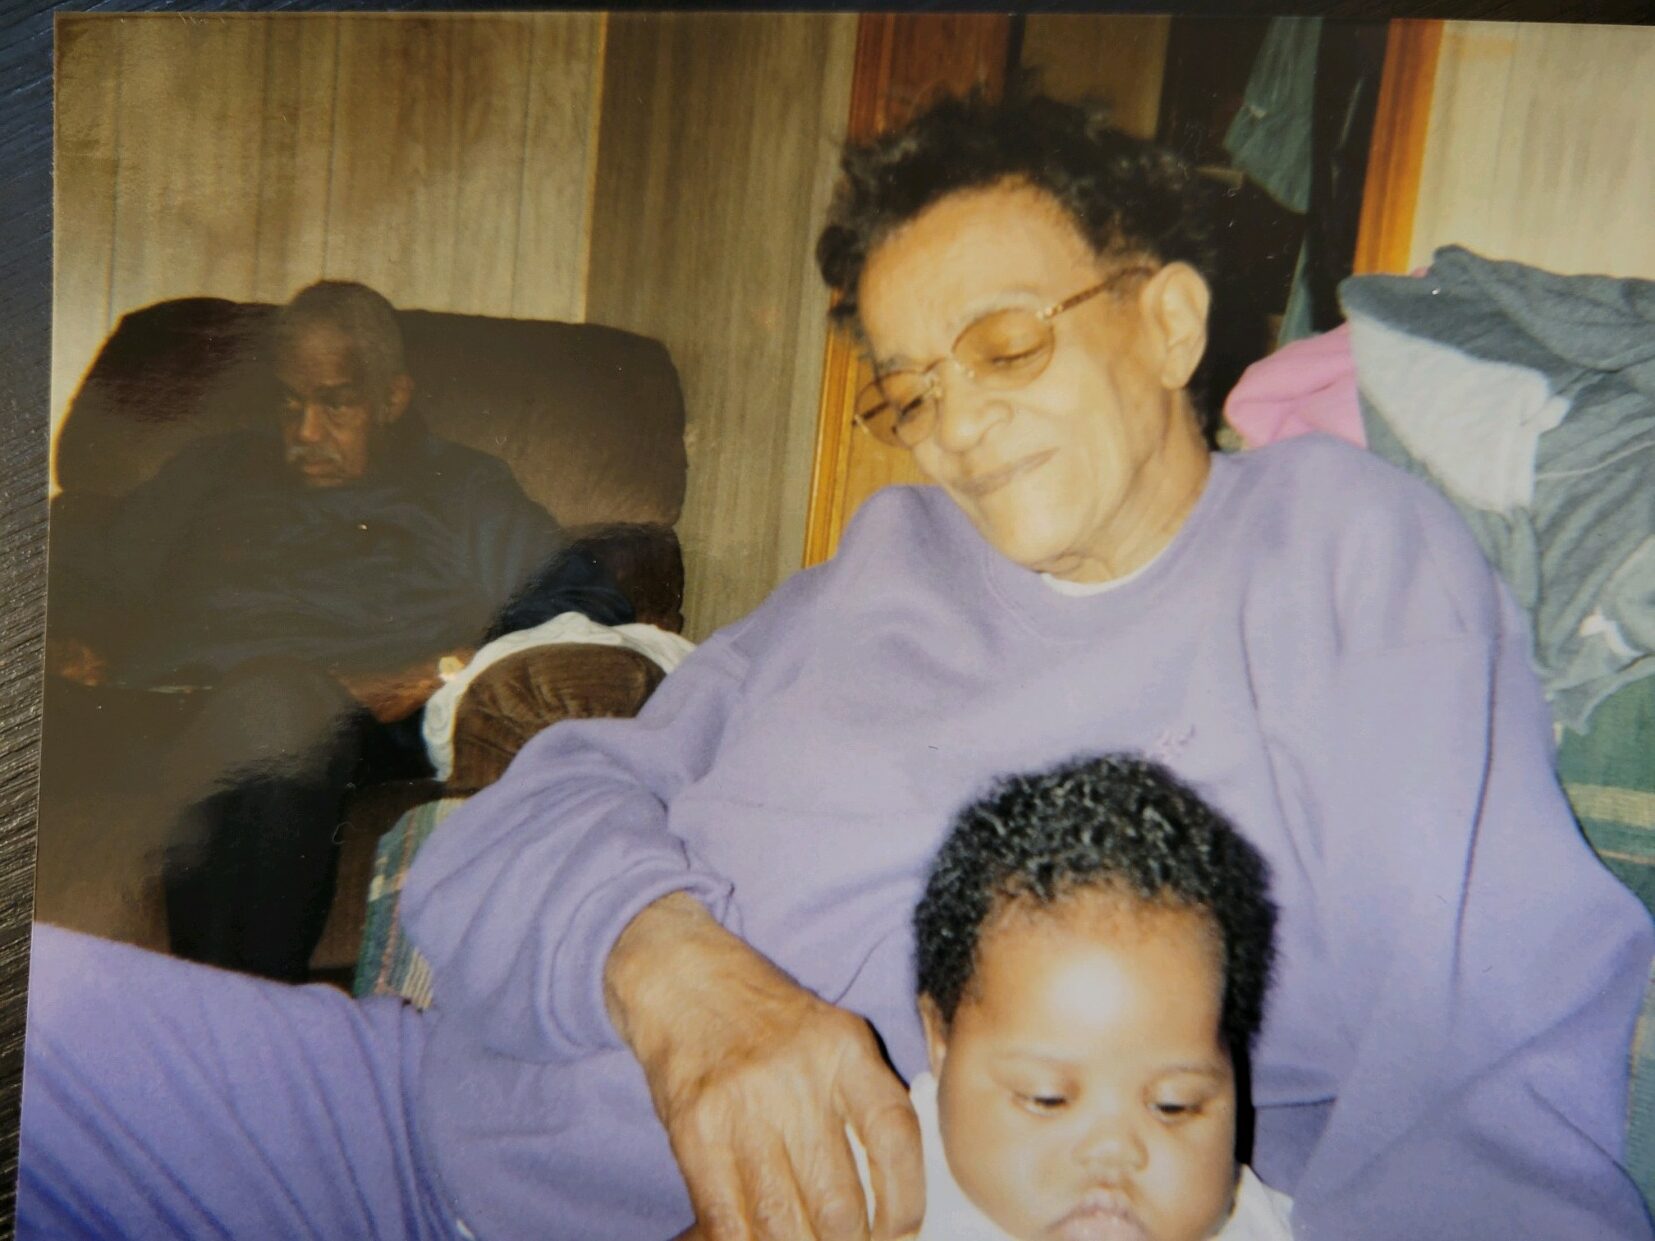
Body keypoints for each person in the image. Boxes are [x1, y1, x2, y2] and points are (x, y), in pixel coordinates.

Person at [18, 90, 1654, 1240]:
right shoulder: (886, 567)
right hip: (410, 1110)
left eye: (1006, 346)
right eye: (910, 385)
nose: (957, 424)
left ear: (1166, 319)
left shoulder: (1351, 568)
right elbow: (542, 809)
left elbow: (1492, 1095)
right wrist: (681, 981)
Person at [39, 279, 629, 981]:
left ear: (391, 398)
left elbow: (584, 597)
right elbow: (93, 561)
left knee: (273, 708)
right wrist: (74, 634)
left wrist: (436, 670)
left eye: (335, 403)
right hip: (154, 710)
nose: (305, 433)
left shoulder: (460, 489)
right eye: (289, 401)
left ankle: (231, 1031)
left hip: (324, 724)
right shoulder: (215, 469)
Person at [891, 751, 1292, 1241]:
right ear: (941, 1040)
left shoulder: (1257, 1228)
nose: (1112, 1151)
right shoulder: (871, 1184)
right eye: (1047, 1098)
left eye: (1174, 1106)